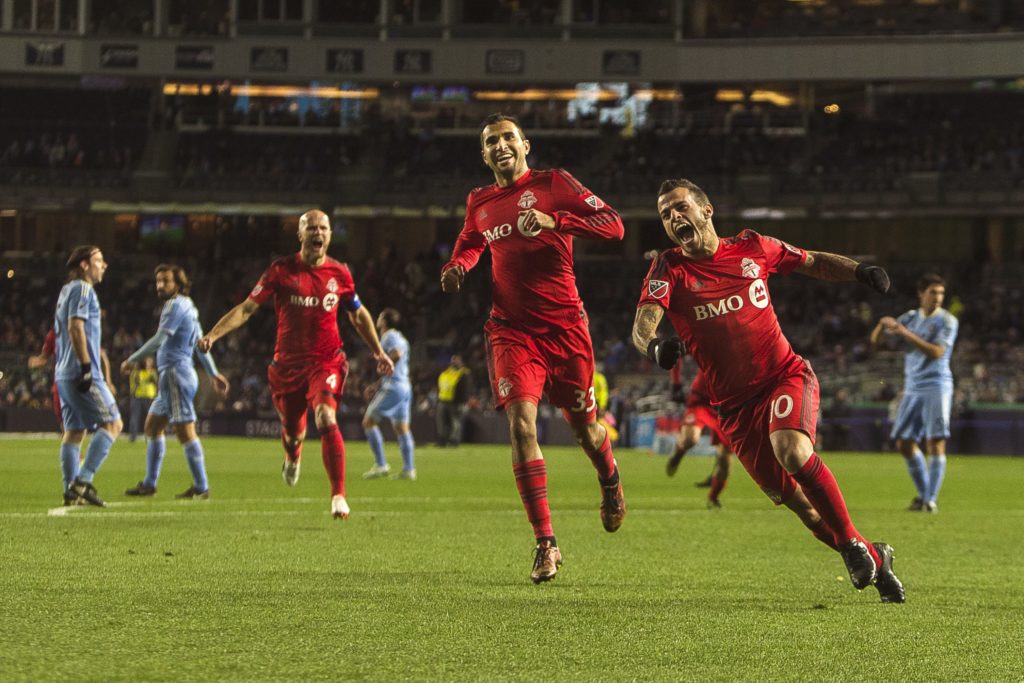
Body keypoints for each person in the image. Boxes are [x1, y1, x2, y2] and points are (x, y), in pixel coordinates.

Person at [632, 178, 904, 603]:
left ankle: (852, 544)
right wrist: (653, 346)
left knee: (792, 450)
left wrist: (859, 270)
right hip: (734, 409)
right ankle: (875, 555)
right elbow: (643, 323)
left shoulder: (752, 247)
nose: (674, 218)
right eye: (666, 214)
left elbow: (811, 261)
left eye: (681, 207)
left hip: (783, 376)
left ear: (707, 210)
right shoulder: (669, 269)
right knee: (801, 506)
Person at [440, 113, 626, 584]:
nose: (500, 145)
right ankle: (546, 542)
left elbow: (614, 226)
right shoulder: (480, 201)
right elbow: (470, 243)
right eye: (490, 141)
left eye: (507, 138)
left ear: (525, 144)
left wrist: (556, 219)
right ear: (484, 155)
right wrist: (458, 266)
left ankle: (609, 478)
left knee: (586, 431)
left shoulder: (554, 184)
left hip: (565, 330)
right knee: (521, 424)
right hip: (511, 330)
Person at [198, 209, 394, 520]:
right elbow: (247, 309)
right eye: (312, 228)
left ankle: (338, 495)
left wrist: (378, 351)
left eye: (324, 228)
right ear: (300, 235)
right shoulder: (280, 271)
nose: (319, 233)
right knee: (293, 431)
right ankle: (293, 454)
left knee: (326, 417)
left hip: (326, 362)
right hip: (287, 367)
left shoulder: (340, 273)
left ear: (330, 234)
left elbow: (357, 314)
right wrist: (213, 334)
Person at [121, 264, 230, 499]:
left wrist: (133, 358)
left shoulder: (174, 305)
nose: (160, 285)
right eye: (158, 281)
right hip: (174, 376)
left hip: (175, 375)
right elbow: (202, 345)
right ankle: (150, 483)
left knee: (185, 430)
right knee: (152, 426)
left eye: (166, 281)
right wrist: (213, 373)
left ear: (178, 284)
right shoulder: (189, 306)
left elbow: (160, 338)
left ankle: (201, 487)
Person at [870, 273, 958, 513]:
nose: (938, 297)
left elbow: (937, 352)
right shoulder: (909, 317)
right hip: (912, 387)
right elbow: (875, 342)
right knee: (904, 442)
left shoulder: (947, 321)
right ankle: (924, 496)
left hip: (937, 386)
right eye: (933, 292)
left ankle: (930, 500)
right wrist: (881, 324)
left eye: (941, 293)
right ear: (921, 294)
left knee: (935, 442)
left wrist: (903, 332)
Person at [54, 245, 122, 507]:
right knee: (114, 424)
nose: (103, 265)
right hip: (80, 372)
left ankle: (70, 490)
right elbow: (75, 327)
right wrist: (85, 367)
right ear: (84, 264)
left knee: (74, 432)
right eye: (99, 260)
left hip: (62, 372)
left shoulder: (65, 291)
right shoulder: (83, 289)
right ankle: (82, 482)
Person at [665, 365, 733, 508]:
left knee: (724, 459)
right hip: (700, 401)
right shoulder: (710, 344)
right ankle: (678, 452)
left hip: (725, 406)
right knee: (691, 439)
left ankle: (713, 497)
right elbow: (676, 349)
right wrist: (676, 382)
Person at [362, 308, 416, 481]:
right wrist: (377, 384)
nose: (377, 319)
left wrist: (386, 362)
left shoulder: (388, 336)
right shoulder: (402, 338)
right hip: (404, 386)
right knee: (402, 428)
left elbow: (396, 355)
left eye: (379, 316)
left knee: (368, 422)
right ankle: (409, 469)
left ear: (384, 321)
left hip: (393, 387)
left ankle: (381, 464)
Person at [435, 354, 472, 447]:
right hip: (443, 400)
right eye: (453, 360)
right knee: (441, 421)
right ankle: (442, 440)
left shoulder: (464, 373)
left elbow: (466, 389)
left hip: (456, 402)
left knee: (456, 422)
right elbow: (440, 386)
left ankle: (454, 440)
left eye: (456, 360)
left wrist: (464, 402)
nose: (454, 362)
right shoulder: (446, 373)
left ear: (461, 362)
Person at [127, 356, 158, 442]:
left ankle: (149, 436)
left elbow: (157, 383)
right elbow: (133, 384)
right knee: (135, 417)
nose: (147, 363)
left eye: (149, 361)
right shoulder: (137, 372)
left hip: (150, 397)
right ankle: (133, 436)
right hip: (138, 397)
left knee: (150, 418)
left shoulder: (153, 373)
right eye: (146, 361)